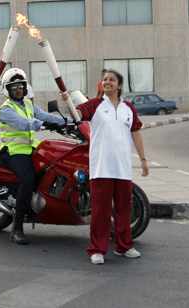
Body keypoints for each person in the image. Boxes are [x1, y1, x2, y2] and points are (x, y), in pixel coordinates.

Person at [61, 70, 149, 265]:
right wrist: (67, 100)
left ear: (119, 85)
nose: (107, 82)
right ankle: (97, 250)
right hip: (101, 167)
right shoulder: (96, 104)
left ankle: (123, 246)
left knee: (123, 209)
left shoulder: (128, 108)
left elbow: (136, 133)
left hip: (123, 168)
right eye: (105, 79)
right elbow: (78, 114)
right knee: (101, 211)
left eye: (112, 80)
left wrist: (143, 159)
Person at [0, 68, 69, 245]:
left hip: (30, 148)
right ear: (8, 89)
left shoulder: (28, 105)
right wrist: (45, 125)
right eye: (14, 87)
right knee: (27, 181)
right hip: (13, 151)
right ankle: (17, 228)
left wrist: (71, 122)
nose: (18, 89)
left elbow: (46, 116)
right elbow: (24, 123)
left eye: (20, 86)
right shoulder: (5, 109)